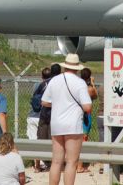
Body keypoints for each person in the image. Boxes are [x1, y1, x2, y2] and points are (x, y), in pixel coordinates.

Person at [41, 53, 92, 185]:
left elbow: (44, 102)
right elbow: (87, 107)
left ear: (65, 66)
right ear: (77, 68)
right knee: (71, 162)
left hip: (57, 123)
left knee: (56, 161)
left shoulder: (55, 80)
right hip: (73, 125)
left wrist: (58, 103)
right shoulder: (80, 83)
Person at [27, 67, 51, 172]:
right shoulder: (52, 85)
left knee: (33, 141)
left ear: (41, 76)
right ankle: (47, 163)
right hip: (44, 117)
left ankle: (37, 166)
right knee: (45, 140)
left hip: (32, 115)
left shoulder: (37, 85)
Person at [77, 67, 97, 173]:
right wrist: (93, 83)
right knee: (83, 141)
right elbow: (95, 95)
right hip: (86, 116)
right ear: (89, 76)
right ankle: (79, 166)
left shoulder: (77, 87)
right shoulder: (89, 88)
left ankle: (73, 164)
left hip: (76, 115)